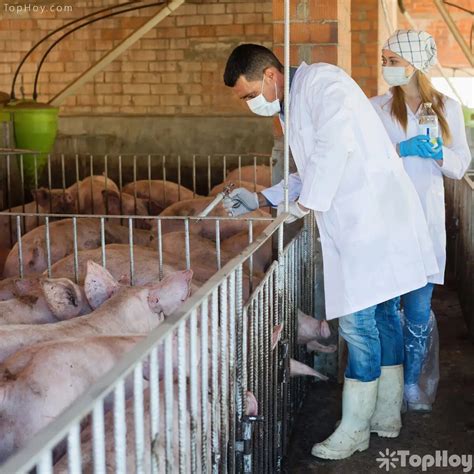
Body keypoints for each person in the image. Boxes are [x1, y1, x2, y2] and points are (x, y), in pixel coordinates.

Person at [222, 44, 440, 460]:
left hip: (373, 224)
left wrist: (301, 206)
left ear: (270, 75)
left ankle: (356, 428)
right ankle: (386, 416)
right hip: (365, 225)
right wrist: (262, 197)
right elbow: (312, 170)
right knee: (379, 317)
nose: (251, 104)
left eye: (250, 94)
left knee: (359, 326)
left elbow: (332, 153)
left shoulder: (324, 84)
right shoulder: (297, 103)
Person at [370, 30, 471, 411]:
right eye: (384, 60)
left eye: (392, 61)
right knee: (386, 310)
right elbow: (366, 161)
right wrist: (399, 149)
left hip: (426, 223)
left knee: (416, 311)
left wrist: (439, 152)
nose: (386, 68)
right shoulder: (376, 108)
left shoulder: (446, 108)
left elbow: (461, 166)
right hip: (386, 220)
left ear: (414, 65)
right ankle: (390, 385)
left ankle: (412, 384)